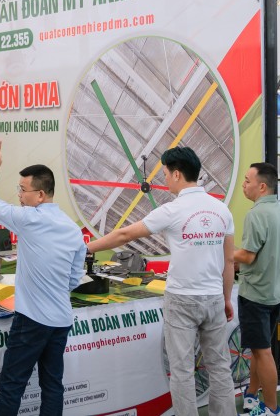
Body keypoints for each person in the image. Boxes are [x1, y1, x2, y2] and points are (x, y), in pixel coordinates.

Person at [87, 146, 236, 416]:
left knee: (182, 371)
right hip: (214, 298)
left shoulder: (172, 210)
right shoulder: (222, 210)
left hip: (182, 300)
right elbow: (229, 261)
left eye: (165, 173)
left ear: (177, 174)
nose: (164, 179)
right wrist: (226, 299)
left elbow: (124, 235)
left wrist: (86, 248)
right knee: (219, 367)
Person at [0, 142, 86, 416]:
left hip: (32, 320)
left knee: (12, 385)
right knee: (52, 385)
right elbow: (74, 278)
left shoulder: (29, 219)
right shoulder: (72, 229)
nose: (19, 195)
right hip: (60, 320)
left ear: (40, 194)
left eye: (22, 190)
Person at [234, 163, 280, 416]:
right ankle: (251, 395)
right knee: (260, 350)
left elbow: (247, 256)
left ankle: (271, 408)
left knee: (263, 352)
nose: (243, 185)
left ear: (261, 186)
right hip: (273, 294)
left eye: (247, 181)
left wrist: (224, 253)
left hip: (255, 295)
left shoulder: (256, 215)